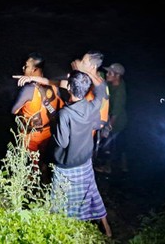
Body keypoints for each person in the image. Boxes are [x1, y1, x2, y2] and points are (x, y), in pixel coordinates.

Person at [49, 65, 112, 237]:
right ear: (86, 89)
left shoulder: (65, 114)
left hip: (67, 167)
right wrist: (90, 72)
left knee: (61, 201)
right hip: (85, 162)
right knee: (92, 192)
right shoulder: (93, 106)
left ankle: (63, 232)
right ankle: (107, 230)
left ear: (68, 88)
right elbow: (100, 89)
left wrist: (53, 127)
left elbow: (62, 142)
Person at [11, 52, 64, 183]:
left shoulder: (28, 90)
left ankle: (34, 183)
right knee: (41, 156)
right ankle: (43, 175)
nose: (24, 69)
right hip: (47, 132)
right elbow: (59, 105)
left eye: (26, 66)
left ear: (34, 69)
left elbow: (14, 110)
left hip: (31, 135)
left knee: (30, 160)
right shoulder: (53, 85)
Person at [96, 63, 128, 174]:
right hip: (111, 117)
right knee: (115, 145)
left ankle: (108, 167)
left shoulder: (120, 93)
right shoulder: (112, 82)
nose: (107, 74)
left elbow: (115, 114)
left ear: (117, 76)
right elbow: (99, 75)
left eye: (110, 73)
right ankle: (123, 166)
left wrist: (107, 129)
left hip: (117, 123)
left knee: (110, 145)